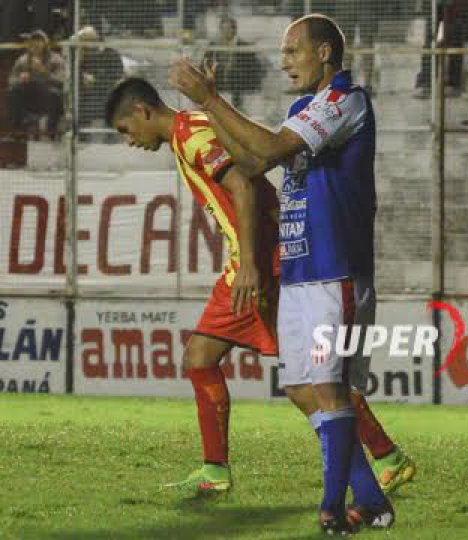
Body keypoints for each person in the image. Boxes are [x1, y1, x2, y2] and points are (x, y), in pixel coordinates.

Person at [168, 13, 415, 533]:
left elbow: (274, 149)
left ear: (324, 53)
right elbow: (255, 163)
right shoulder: (304, 107)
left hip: (335, 268)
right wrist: (209, 108)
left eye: (293, 52)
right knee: (304, 389)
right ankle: (371, 497)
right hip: (301, 271)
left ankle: (333, 506)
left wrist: (211, 103)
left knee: (328, 388)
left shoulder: (345, 101)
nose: (284, 62)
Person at [103, 78, 280, 494]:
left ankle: (384, 455)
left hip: (259, 264)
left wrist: (252, 266)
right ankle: (215, 471)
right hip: (249, 262)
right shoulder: (190, 128)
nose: (130, 141)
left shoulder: (189, 133)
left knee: (309, 380)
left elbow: (241, 185)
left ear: (144, 112)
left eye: (126, 130)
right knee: (199, 358)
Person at [7, 29, 65, 139]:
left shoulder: (56, 59)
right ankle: (19, 129)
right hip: (30, 97)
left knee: (55, 94)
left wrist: (44, 71)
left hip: (47, 96)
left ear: (45, 43)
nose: (36, 43)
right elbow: (11, 80)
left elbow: (61, 81)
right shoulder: (22, 60)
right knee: (14, 91)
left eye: (39, 40)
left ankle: (50, 131)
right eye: (33, 41)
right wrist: (20, 79)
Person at [202, 16, 264, 111]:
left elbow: (252, 69)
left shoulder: (245, 46)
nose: (225, 31)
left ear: (234, 30)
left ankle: (237, 108)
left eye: (228, 28)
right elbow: (204, 63)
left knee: (235, 75)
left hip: (238, 81)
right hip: (219, 78)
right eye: (223, 28)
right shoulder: (213, 46)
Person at [76, 26, 125, 134]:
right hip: (87, 95)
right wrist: (80, 59)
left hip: (107, 91)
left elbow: (117, 76)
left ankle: (110, 136)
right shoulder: (80, 56)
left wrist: (96, 80)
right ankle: (81, 136)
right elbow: (75, 77)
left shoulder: (111, 54)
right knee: (79, 102)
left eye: (88, 41)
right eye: (83, 43)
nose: (86, 45)